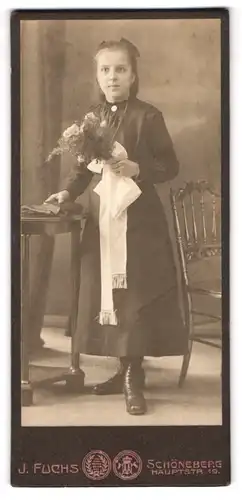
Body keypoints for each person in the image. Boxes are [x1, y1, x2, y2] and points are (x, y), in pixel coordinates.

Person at [45, 38, 187, 416]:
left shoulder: (148, 116)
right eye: (105, 69)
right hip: (103, 215)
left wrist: (139, 168)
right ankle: (120, 369)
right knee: (107, 293)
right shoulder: (92, 118)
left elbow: (170, 167)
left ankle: (133, 378)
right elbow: (81, 169)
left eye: (120, 69)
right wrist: (66, 191)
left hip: (140, 221)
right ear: (97, 74)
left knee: (135, 295)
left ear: (133, 75)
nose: (112, 76)